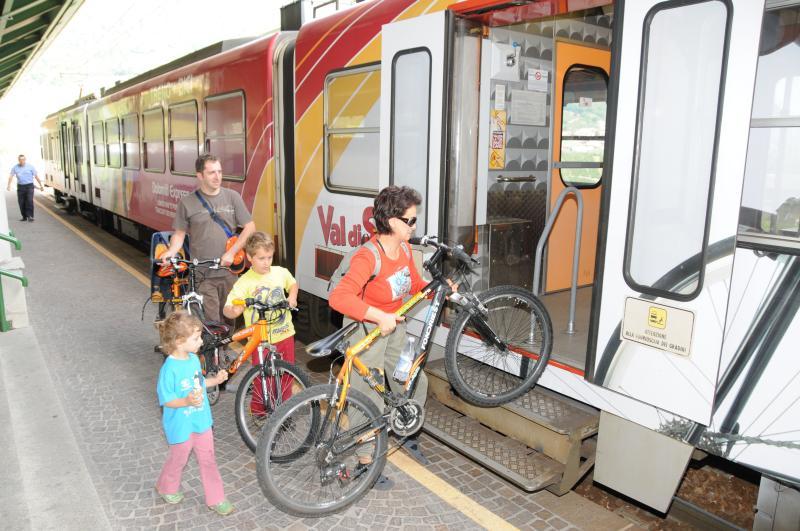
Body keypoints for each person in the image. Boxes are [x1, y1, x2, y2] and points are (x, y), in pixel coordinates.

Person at [329, 185, 454, 487]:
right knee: (367, 397)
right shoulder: (368, 257)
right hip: (366, 330)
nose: (414, 226)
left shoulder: (405, 250)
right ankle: (365, 463)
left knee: (413, 381)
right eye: (410, 221)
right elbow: (338, 297)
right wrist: (378, 316)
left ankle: (404, 430)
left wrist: (438, 289)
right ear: (392, 221)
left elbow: (414, 284)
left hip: (393, 328)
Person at [160, 154, 256, 323]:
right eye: (212, 172)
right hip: (203, 273)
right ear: (200, 175)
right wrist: (172, 251)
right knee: (211, 321)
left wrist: (232, 253)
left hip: (229, 272)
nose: (217, 176)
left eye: (219, 171)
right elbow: (179, 234)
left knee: (229, 319)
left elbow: (250, 228)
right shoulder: (187, 203)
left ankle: (225, 342)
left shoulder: (232, 197)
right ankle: (212, 341)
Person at [155, 311, 233, 516]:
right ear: (180, 341)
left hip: (201, 420)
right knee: (178, 459)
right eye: (196, 338)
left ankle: (216, 498)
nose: (201, 341)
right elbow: (167, 400)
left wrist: (215, 381)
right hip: (180, 424)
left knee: (208, 459)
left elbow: (198, 383)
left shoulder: (193, 360)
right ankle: (166, 486)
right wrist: (187, 401)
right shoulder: (169, 369)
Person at [223, 232, 298, 411]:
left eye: (269, 257)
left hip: (285, 333)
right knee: (263, 376)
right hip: (260, 341)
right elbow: (228, 307)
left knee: (287, 374)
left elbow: (292, 284)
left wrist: (292, 297)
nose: (266, 262)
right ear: (249, 257)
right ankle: (259, 409)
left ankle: (284, 409)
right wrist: (234, 311)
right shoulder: (244, 282)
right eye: (261, 258)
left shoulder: (280, 272)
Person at [7, 154, 44, 222]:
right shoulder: (15, 167)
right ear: (18, 160)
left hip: (29, 186)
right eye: (20, 160)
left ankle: (30, 216)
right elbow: (11, 176)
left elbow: (36, 176)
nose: (22, 161)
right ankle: (24, 216)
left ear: (25, 160)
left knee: (29, 201)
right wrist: (8, 185)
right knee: (21, 202)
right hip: (20, 187)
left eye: (23, 159)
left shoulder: (30, 167)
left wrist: (41, 185)